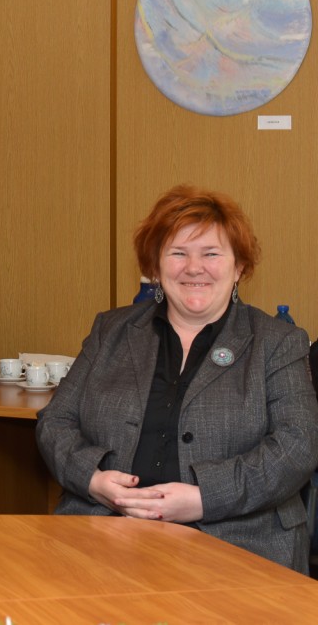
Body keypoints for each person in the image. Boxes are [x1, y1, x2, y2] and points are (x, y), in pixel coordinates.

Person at [36, 185, 318, 573]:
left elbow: (298, 445)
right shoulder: (110, 330)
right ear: (155, 266)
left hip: (239, 547)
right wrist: (93, 480)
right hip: (105, 535)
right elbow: (55, 422)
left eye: (211, 253)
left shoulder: (277, 342)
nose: (194, 268)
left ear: (239, 267)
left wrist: (204, 499)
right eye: (178, 253)